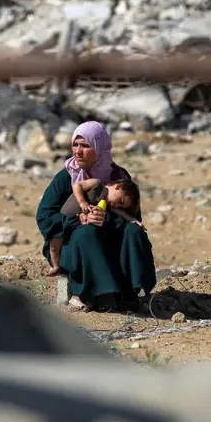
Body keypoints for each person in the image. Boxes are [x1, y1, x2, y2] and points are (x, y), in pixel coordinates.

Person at [36, 121, 157, 312]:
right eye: (75, 145)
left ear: (100, 147)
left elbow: (132, 215)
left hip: (111, 240)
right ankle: (95, 294)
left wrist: (107, 219)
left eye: (85, 146)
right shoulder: (66, 176)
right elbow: (45, 216)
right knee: (87, 233)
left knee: (134, 231)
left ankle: (134, 291)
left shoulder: (119, 176)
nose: (77, 151)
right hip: (70, 242)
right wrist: (79, 219)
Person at [45, 178, 143, 277]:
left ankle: (58, 266)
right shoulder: (96, 184)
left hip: (74, 223)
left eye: (120, 206)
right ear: (118, 186)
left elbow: (120, 212)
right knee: (54, 245)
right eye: (120, 201)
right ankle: (55, 265)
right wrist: (82, 202)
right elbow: (77, 186)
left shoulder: (106, 202)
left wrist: (132, 220)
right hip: (63, 219)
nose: (117, 205)